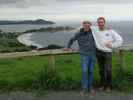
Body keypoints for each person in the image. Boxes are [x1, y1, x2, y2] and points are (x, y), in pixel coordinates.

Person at [63, 21, 96, 95]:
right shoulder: (79, 33)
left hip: (93, 54)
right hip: (84, 55)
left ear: (90, 26)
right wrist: (68, 47)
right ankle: (84, 88)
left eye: (88, 25)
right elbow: (72, 39)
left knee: (91, 71)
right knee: (84, 71)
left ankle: (90, 87)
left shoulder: (94, 32)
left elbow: (101, 33)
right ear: (83, 25)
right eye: (85, 25)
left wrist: (108, 28)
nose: (87, 27)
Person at [91, 17, 123, 92]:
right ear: (97, 23)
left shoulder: (111, 31)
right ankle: (102, 85)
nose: (100, 23)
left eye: (102, 22)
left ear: (104, 23)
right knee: (101, 70)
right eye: (99, 22)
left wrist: (112, 45)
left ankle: (108, 86)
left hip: (107, 53)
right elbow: (86, 26)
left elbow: (120, 40)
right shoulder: (95, 30)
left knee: (108, 70)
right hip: (99, 52)